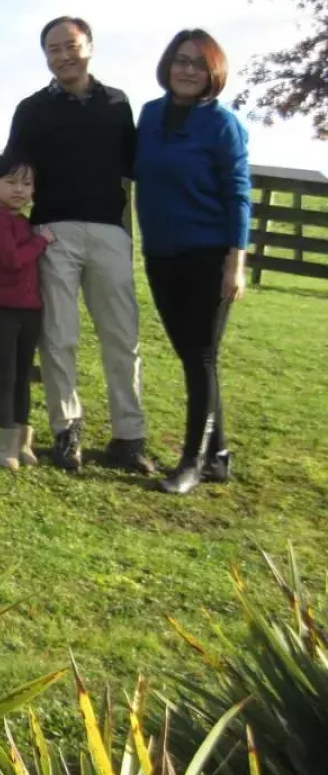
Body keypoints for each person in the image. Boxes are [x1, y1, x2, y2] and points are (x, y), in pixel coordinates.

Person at [3, 16, 154, 475]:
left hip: (111, 231)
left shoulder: (117, 103)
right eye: (53, 49)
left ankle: (129, 438)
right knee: (59, 336)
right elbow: (11, 162)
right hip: (54, 232)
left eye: (70, 46)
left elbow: (136, 165)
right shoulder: (32, 109)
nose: (62, 56)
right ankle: (66, 433)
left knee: (121, 337)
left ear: (89, 46)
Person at [133, 28, 250, 494]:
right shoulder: (150, 115)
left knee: (200, 356)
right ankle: (218, 454)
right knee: (192, 356)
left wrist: (234, 263)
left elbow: (239, 195)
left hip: (209, 255)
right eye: (180, 60)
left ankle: (192, 463)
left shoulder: (223, 125)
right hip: (161, 253)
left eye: (197, 64)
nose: (186, 70)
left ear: (212, 73)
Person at [0, 152, 54, 470]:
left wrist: (36, 236)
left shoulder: (25, 222)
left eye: (26, 183)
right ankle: (4, 445)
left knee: (24, 376)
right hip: (1, 309)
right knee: (6, 375)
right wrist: (41, 242)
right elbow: (11, 260)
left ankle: (24, 440)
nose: (19, 190)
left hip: (30, 310)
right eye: (10, 182)